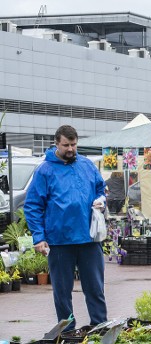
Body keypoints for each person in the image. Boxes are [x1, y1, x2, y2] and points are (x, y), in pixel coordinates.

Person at [24, 125, 107, 331]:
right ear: (56, 144)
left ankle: (100, 326)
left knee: (95, 287)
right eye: (66, 145)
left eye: (74, 144)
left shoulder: (87, 165)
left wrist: (101, 199)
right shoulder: (45, 170)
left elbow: (100, 187)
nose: (70, 149)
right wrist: (39, 237)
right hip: (59, 240)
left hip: (89, 237)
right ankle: (67, 330)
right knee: (62, 291)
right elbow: (33, 205)